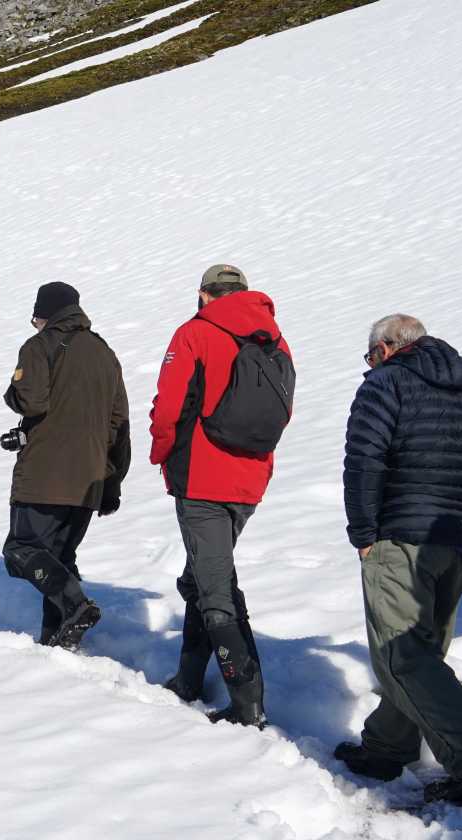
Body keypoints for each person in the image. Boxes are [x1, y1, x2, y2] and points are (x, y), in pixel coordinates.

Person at [332, 313, 462, 806]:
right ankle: (387, 748)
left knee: (403, 656)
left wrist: (362, 530)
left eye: (369, 356)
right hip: (457, 545)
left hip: (400, 539)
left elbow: (364, 460)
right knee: (420, 651)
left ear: (385, 349)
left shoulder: (385, 385)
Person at [148, 264, 290, 727]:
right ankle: (188, 679)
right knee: (204, 577)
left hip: (202, 478)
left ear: (204, 295)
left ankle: (248, 705)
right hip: (249, 479)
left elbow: (169, 404)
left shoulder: (195, 333)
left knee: (214, 591)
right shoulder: (274, 339)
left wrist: (161, 451)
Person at [1, 281, 130, 652]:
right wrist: (112, 481)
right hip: (90, 477)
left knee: (22, 550)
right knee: (59, 559)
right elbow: (119, 421)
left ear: (44, 315)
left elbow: (31, 401)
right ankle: (57, 642)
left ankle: (76, 606)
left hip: (45, 474)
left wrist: (12, 392)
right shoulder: (104, 352)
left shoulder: (39, 347)